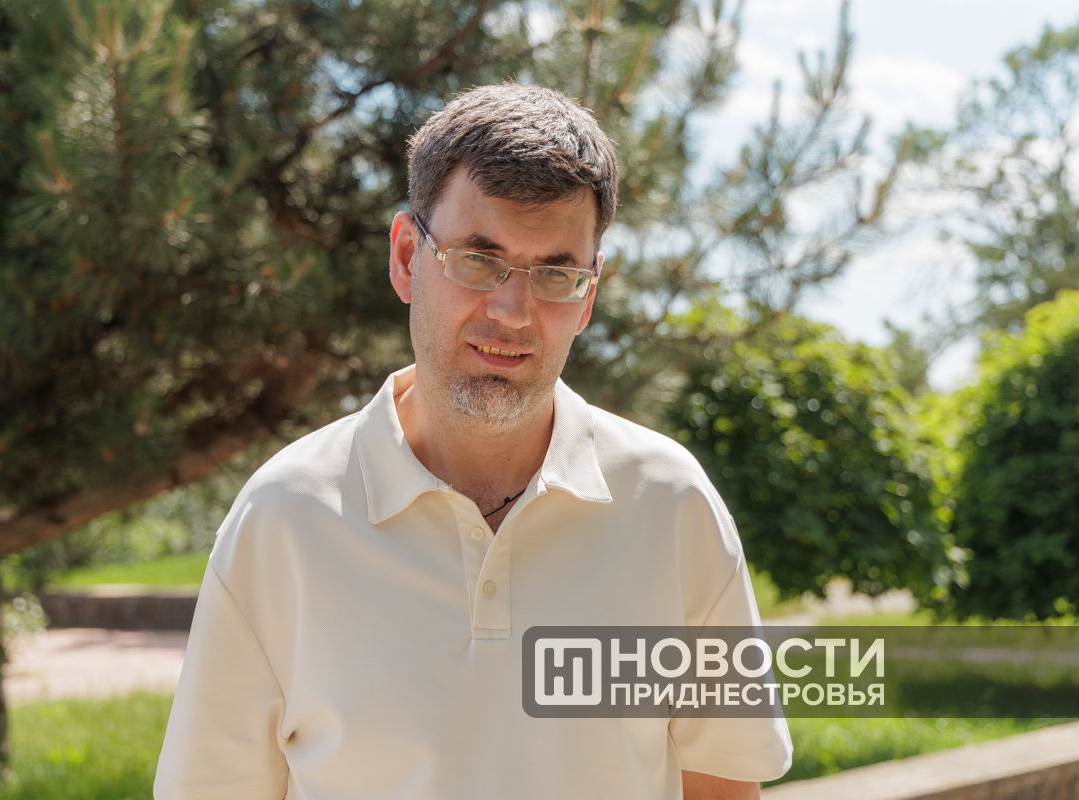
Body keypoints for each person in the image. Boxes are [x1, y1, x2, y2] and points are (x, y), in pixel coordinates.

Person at [154, 83, 792, 800]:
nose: (513, 311)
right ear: (406, 257)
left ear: (588, 293)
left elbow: (722, 788)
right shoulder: (283, 516)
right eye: (478, 260)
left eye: (555, 273)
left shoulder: (671, 505)